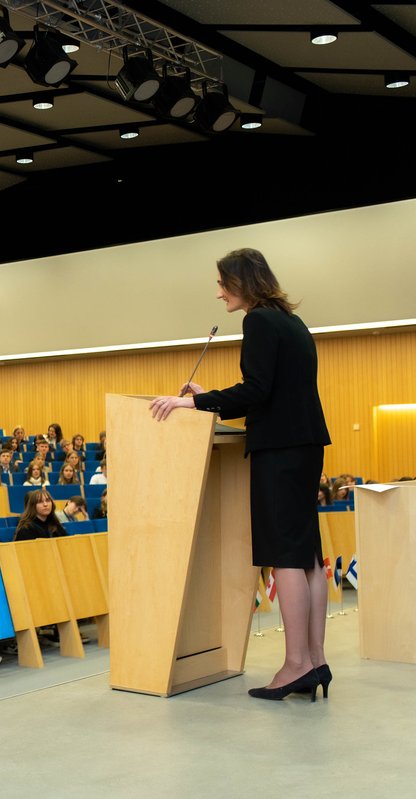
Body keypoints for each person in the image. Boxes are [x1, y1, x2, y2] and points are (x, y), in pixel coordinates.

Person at [150, 247, 332, 701]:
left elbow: (256, 390)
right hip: (306, 446)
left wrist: (190, 401)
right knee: (306, 553)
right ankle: (315, 660)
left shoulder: (258, 321)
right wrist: (214, 395)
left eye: (221, 283)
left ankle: (294, 666)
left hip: (280, 449)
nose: (218, 293)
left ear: (240, 282)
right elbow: (271, 391)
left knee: (284, 556)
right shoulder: (291, 321)